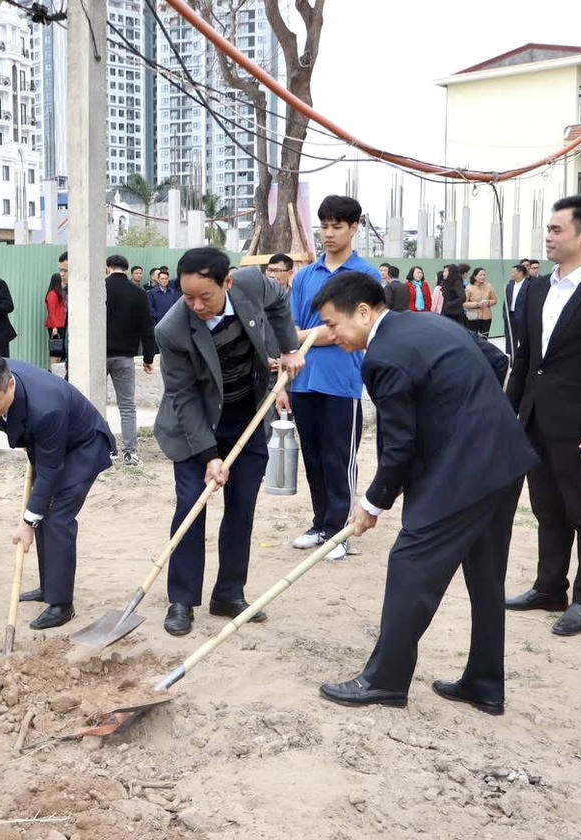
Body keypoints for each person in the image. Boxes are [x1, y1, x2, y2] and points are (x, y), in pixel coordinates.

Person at [311, 272, 534, 713]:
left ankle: (385, 681)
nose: (329, 335)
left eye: (333, 325)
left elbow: (398, 448)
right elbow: (493, 362)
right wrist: (464, 420)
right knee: (486, 577)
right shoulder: (427, 323)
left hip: (463, 472)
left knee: (411, 561)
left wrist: (372, 502)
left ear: (362, 312)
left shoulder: (383, 358)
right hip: (503, 459)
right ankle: (485, 684)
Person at [155, 247, 304, 635]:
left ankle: (229, 593)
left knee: (241, 509)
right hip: (194, 428)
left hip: (247, 417)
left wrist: (288, 349)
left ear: (228, 283)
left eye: (206, 296)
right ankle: (182, 601)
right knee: (191, 508)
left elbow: (280, 301)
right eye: (188, 297)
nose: (197, 305)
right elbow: (183, 397)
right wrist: (208, 455)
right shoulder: (171, 330)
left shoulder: (253, 284)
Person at [505, 195, 581, 637]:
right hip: (535, 419)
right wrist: (507, 415)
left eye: (557, 230)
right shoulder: (537, 288)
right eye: (549, 229)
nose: (548, 237)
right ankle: (549, 587)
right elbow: (525, 360)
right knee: (546, 508)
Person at [0, 354, 115, 629]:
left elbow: (50, 472)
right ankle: (49, 586)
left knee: (56, 517)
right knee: (42, 512)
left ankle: (61, 605)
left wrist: (27, 522)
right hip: (50, 445)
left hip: (83, 447)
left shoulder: (46, 408)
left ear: (9, 386)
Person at [284, 195, 381, 561]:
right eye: (323, 226)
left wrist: (310, 334)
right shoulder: (307, 275)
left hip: (342, 383)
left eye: (336, 226)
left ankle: (341, 531)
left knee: (340, 457)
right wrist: (306, 341)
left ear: (354, 228)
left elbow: (358, 328)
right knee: (314, 457)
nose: (328, 233)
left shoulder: (365, 276)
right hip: (304, 380)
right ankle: (321, 524)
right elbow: (289, 330)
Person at [105, 254, 156, 466]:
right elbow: (147, 327)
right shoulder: (138, 292)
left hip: (98, 355)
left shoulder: (99, 288)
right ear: (126, 269)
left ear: (108, 268)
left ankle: (107, 450)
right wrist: (148, 357)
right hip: (124, 355)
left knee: (95, 404)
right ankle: (131, 453)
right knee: (127, 406)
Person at [45, 254, 69, 373]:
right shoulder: (52, 295)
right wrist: (54, 327)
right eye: (61, 272)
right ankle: (53, 370)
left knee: (59, 350)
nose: (62, 275)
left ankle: (57, 369)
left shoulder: (61, 293)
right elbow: (52, 312)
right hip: (55, 326)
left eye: (65, 271)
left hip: (60, 325)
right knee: (55, 350)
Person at [502, 263, 528, 357]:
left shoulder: (528, 285)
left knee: (522, 339)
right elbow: (506, 301)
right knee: (510, 339)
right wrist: (505, 314)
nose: (511, 274)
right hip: (510, 316)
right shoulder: (510, 284)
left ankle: (522, 359)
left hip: (522, 317)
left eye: (513, 272)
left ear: (520, 273)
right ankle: (512, 358)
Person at [463, 267, 497, 335]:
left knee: (484, 337)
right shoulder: (469, 288)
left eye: (484, 275)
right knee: (473, 338)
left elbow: (495, 300)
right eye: (480, 275)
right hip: (473, 316)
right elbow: (464, 303)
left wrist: (488, 302)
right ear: (475, 276)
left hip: (486, 316)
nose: (483, 277)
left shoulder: (489, 286)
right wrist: (477, 304)